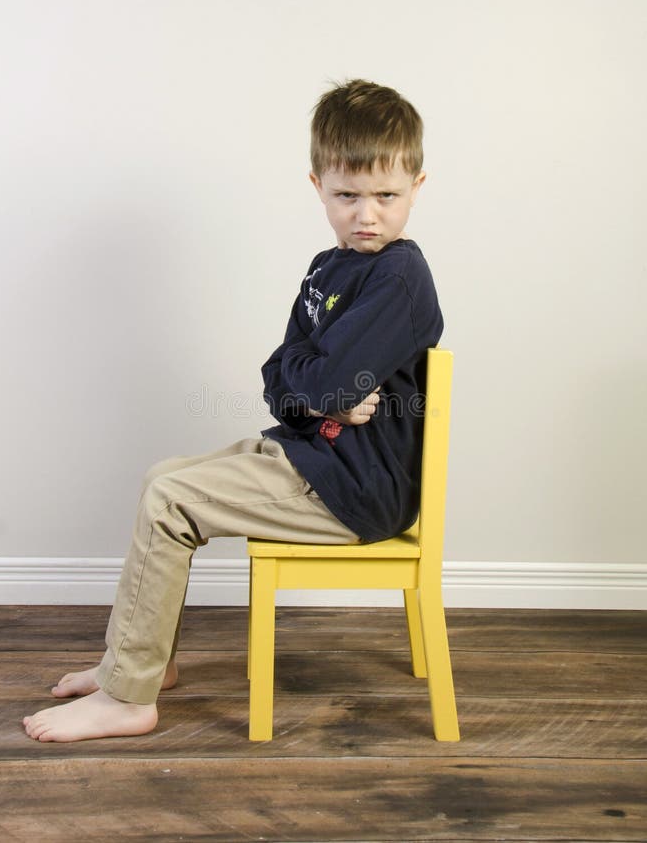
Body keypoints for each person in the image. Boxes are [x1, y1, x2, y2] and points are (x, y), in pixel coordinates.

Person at [22, 78, 443, 742]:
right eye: (348, 196)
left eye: (387, 196)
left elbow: (317, 383)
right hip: (312, 455)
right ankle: (137, 668)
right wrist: (314, 389)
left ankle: (129, 697)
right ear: (318, 186)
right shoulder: (327, 269)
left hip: (352, 487)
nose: (368, 214)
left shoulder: (398, 277)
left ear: (417, 185)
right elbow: (281, 378)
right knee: (164, 477)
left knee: (170, 497)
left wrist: (313, 387)